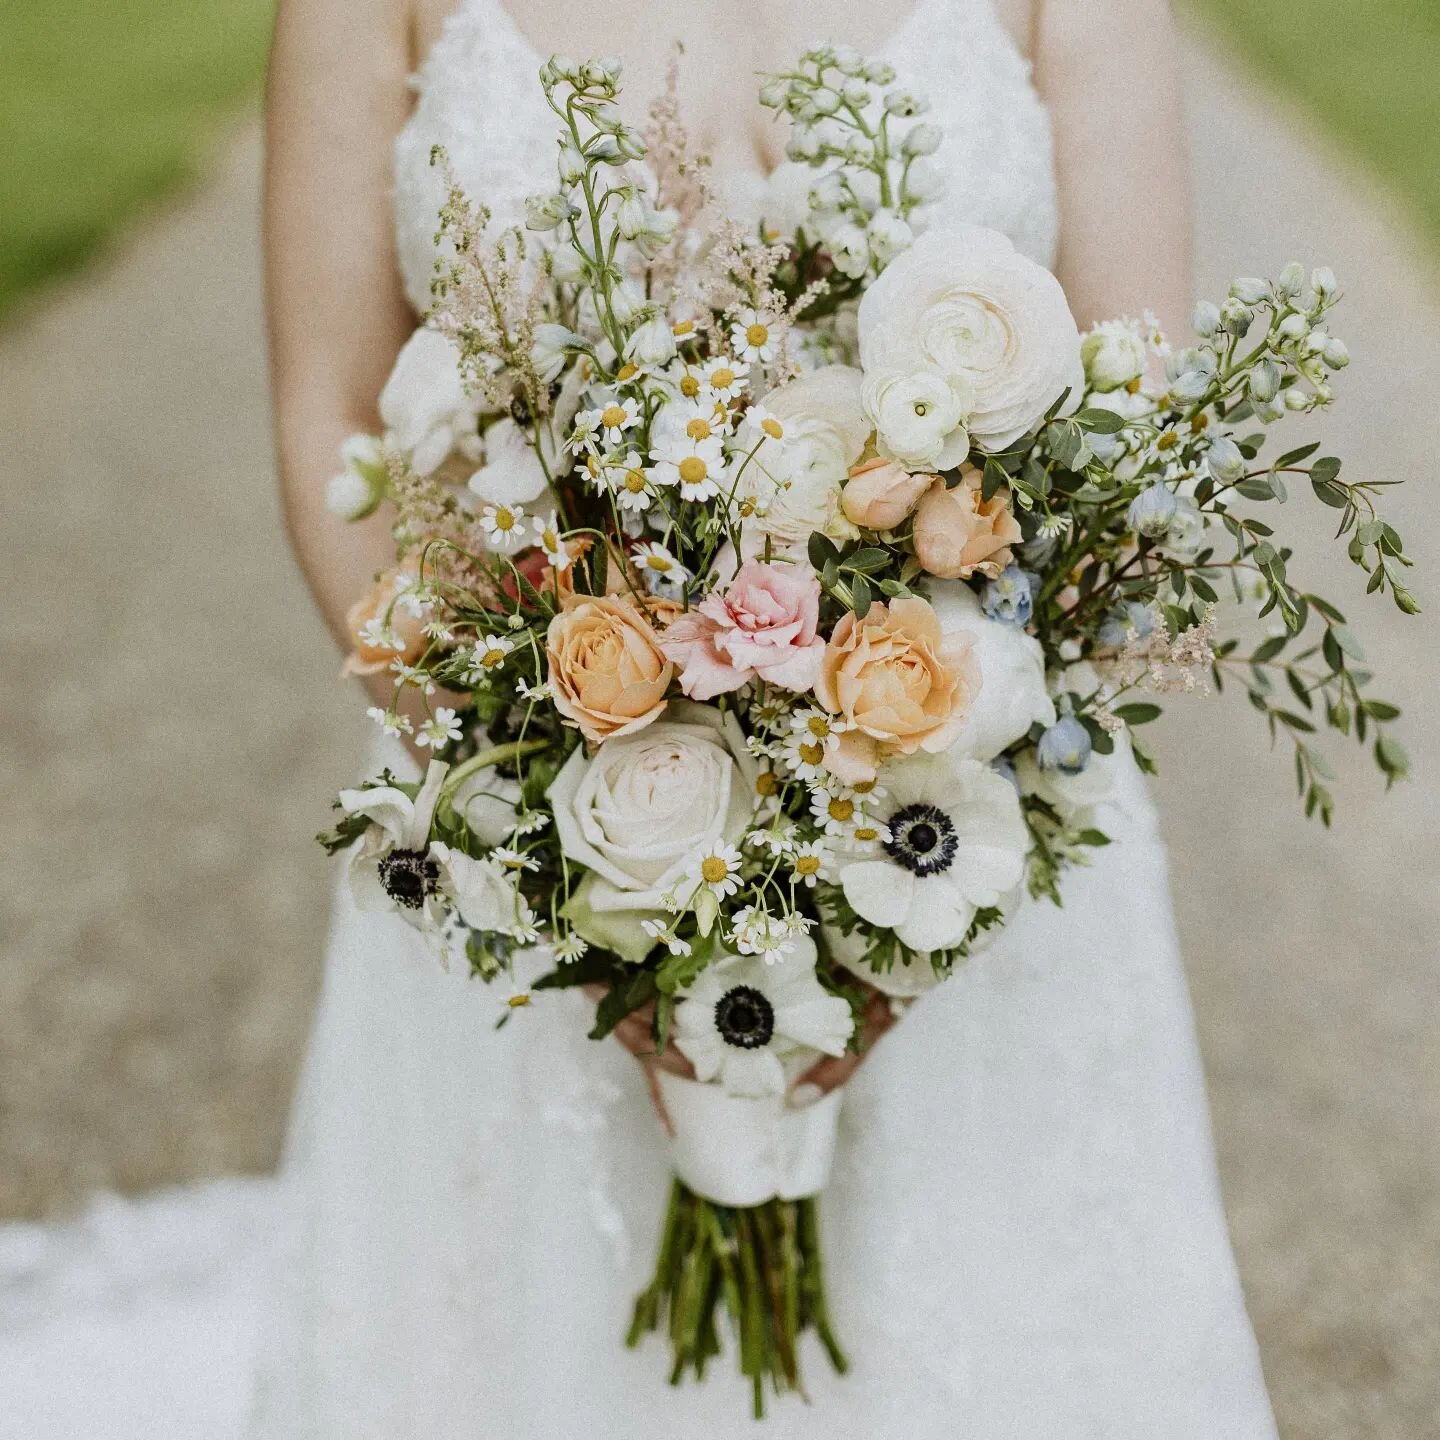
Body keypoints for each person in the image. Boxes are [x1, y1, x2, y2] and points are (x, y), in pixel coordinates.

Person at [255, 0, 1280, 1433]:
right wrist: (555, 843)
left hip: (965, 842)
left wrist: (881, 899)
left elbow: (1136, 429)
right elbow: (328, 425)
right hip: (517, 864)